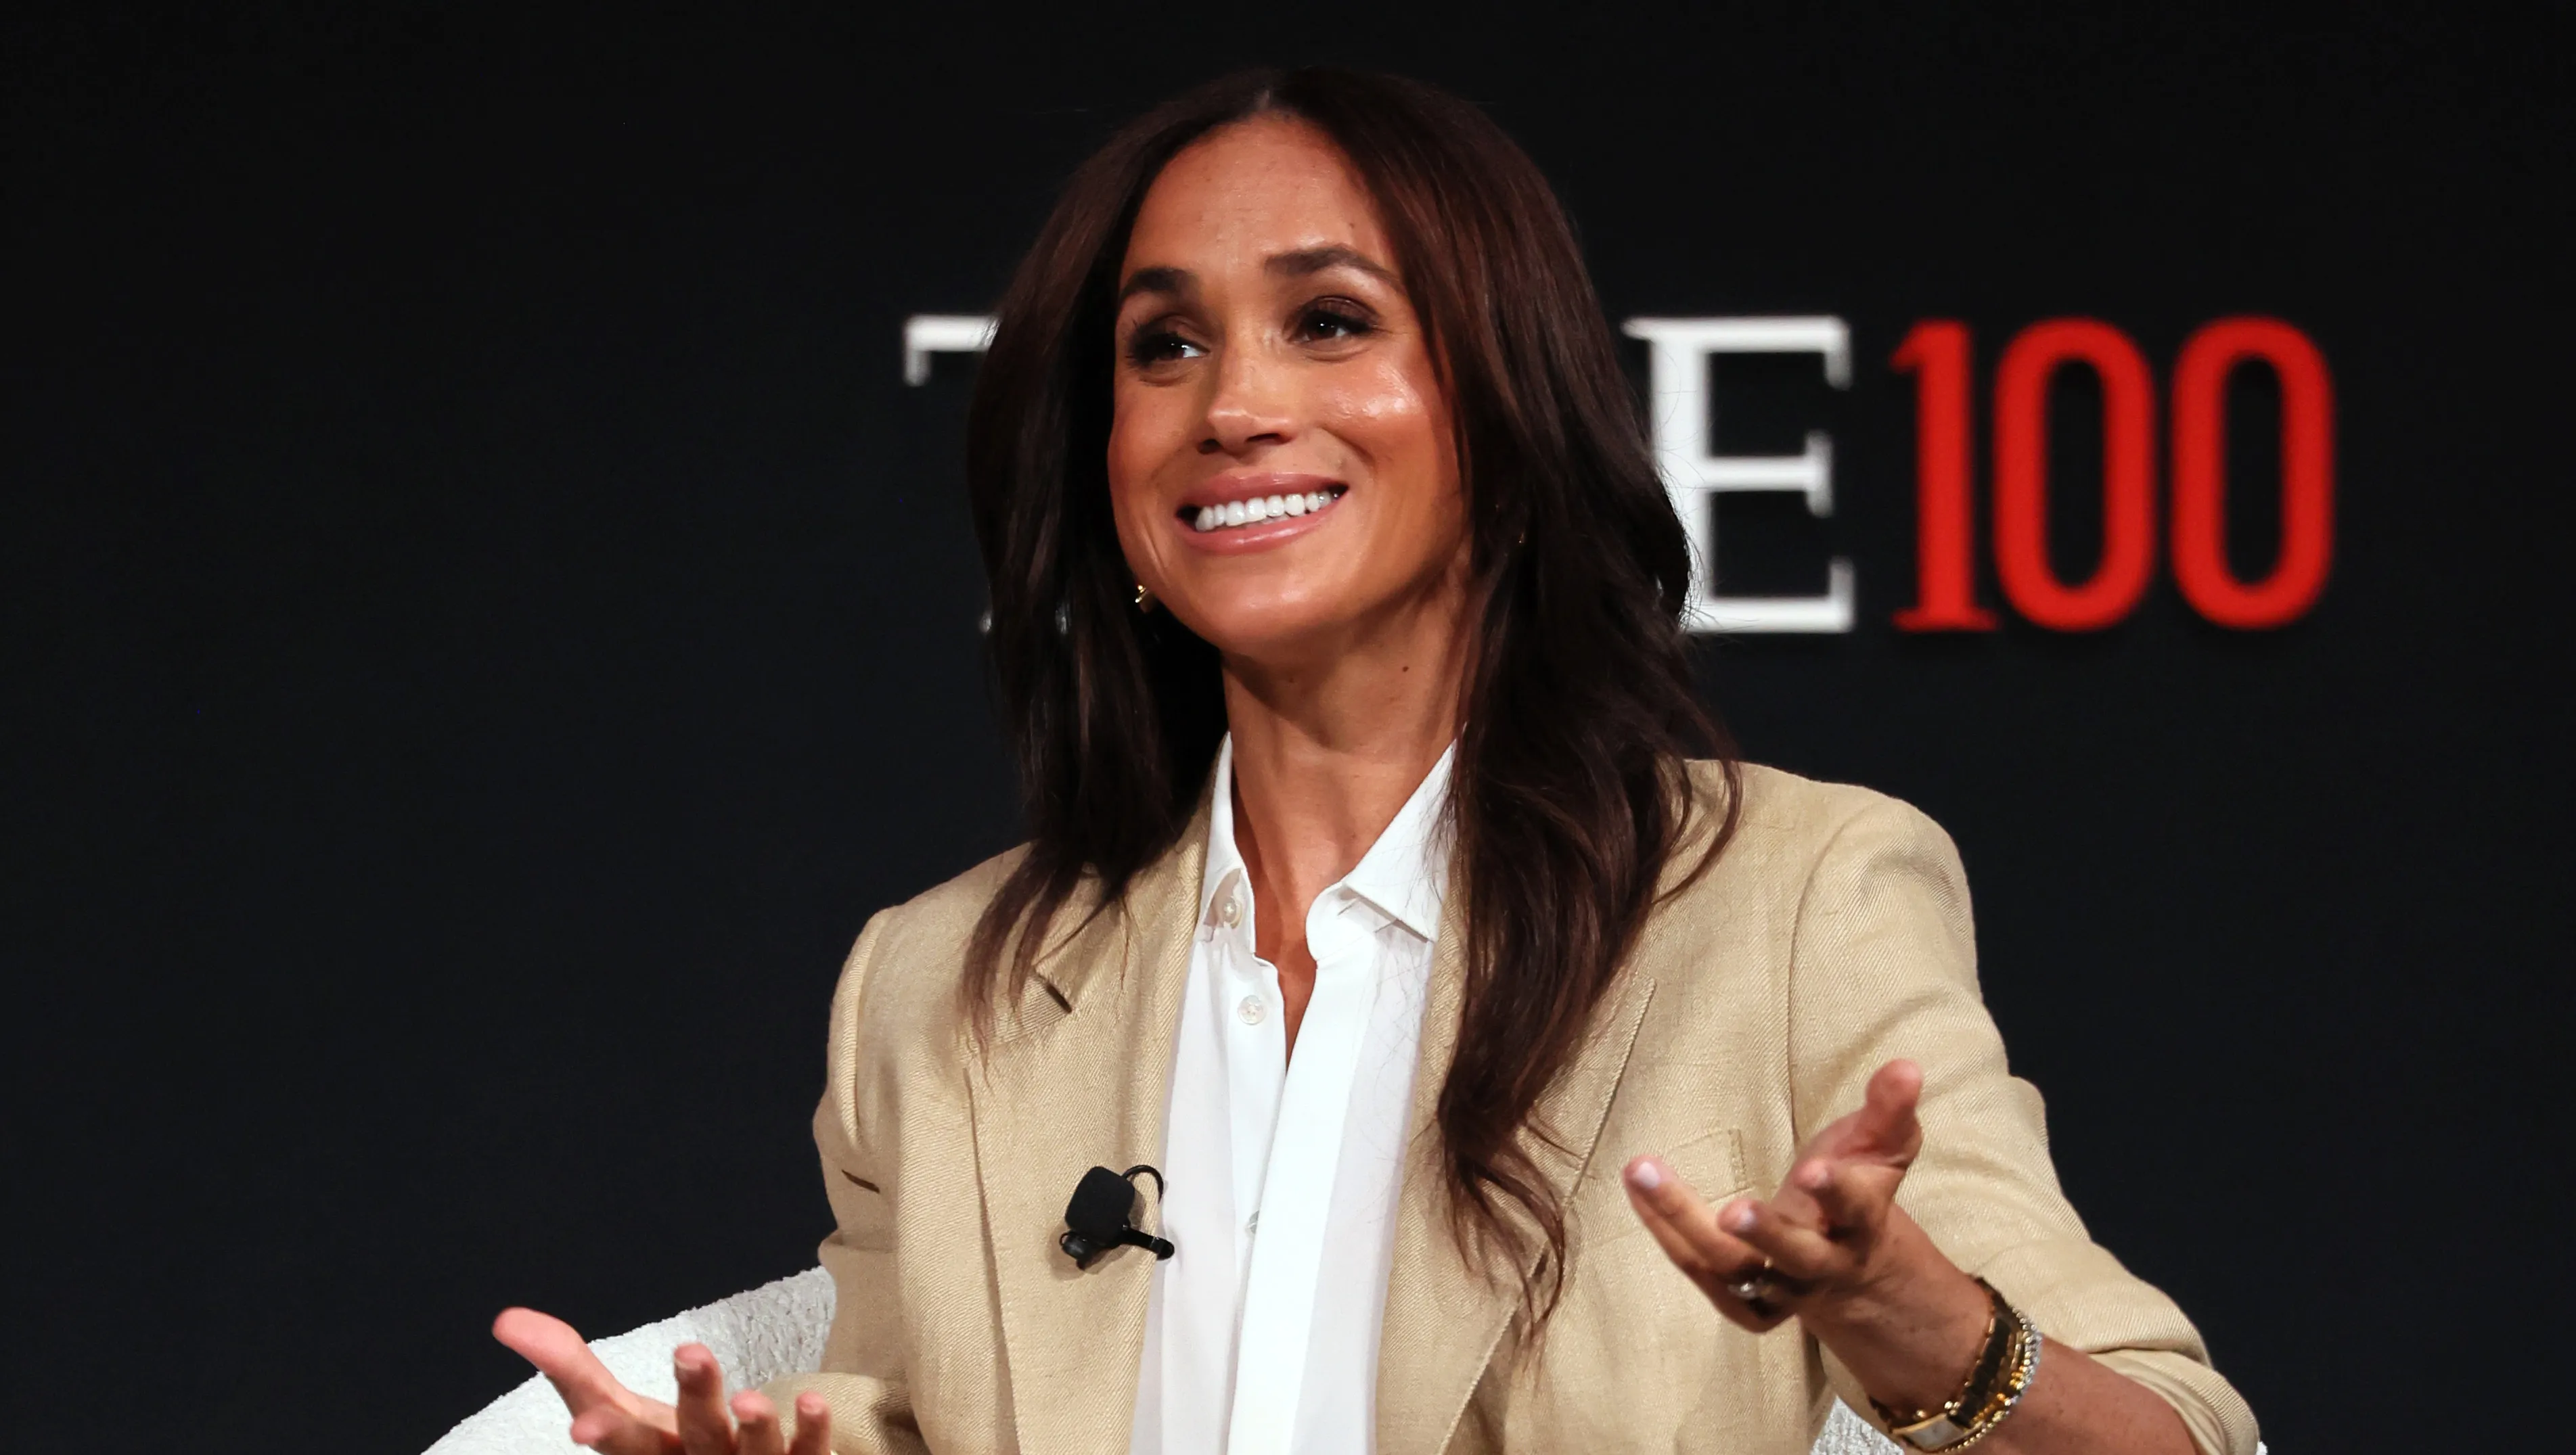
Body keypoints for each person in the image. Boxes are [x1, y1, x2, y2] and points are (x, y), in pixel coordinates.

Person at [493, 67, 2259, 1455]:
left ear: (1500, 407)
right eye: (1161, 342)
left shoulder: (1787, 903)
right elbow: (896, 1423)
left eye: (1328, 320)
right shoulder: (938, 990)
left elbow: (2171, 1436)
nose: (1231, 402)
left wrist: (1908, 1318)